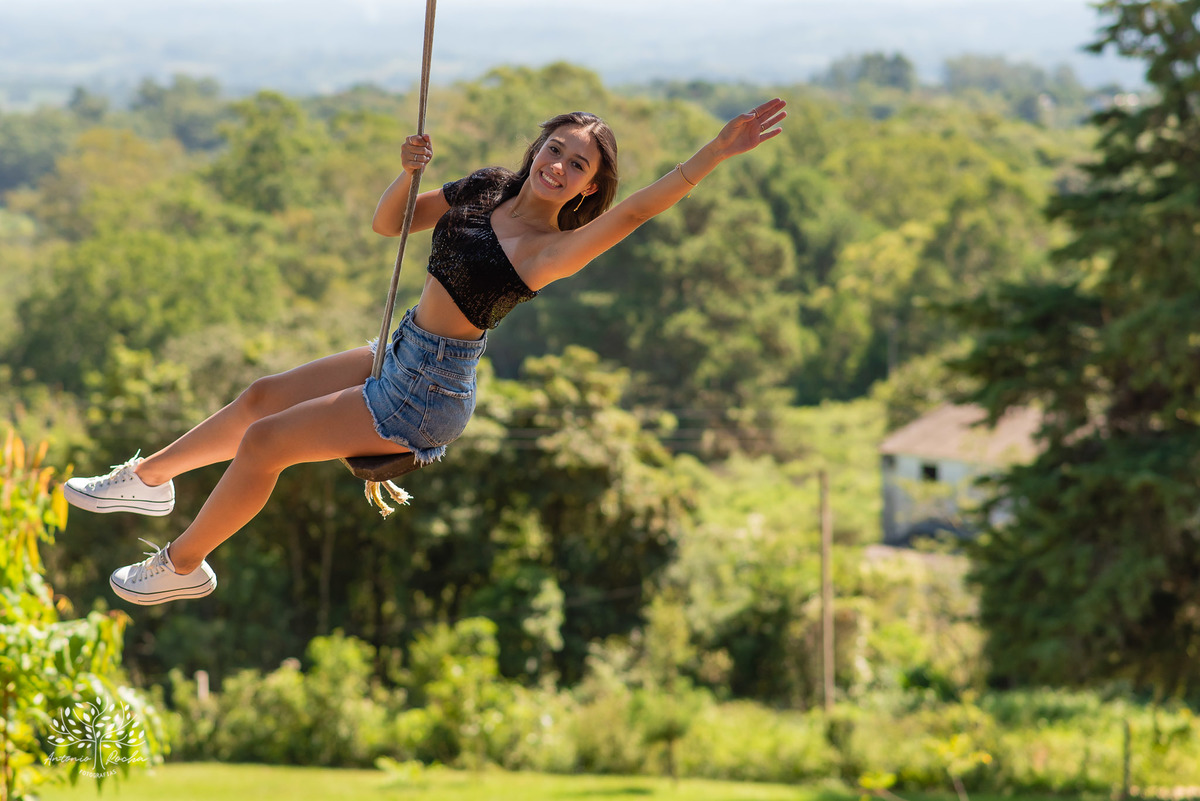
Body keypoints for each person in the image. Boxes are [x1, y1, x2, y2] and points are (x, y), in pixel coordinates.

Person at [63, 98, 789, 606]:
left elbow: (639, 211)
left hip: (427, 393)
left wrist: (714, 154)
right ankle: (150, 478)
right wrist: (406, 172)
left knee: (264, 442)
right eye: (555, 149)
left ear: (591, 186)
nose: (559, 166)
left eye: (578, 165)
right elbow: (392, 224)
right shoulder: (484, 187)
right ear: (537, 149)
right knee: (260, 396)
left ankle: (183, 564)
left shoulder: (549, 250)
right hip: (403, 344)